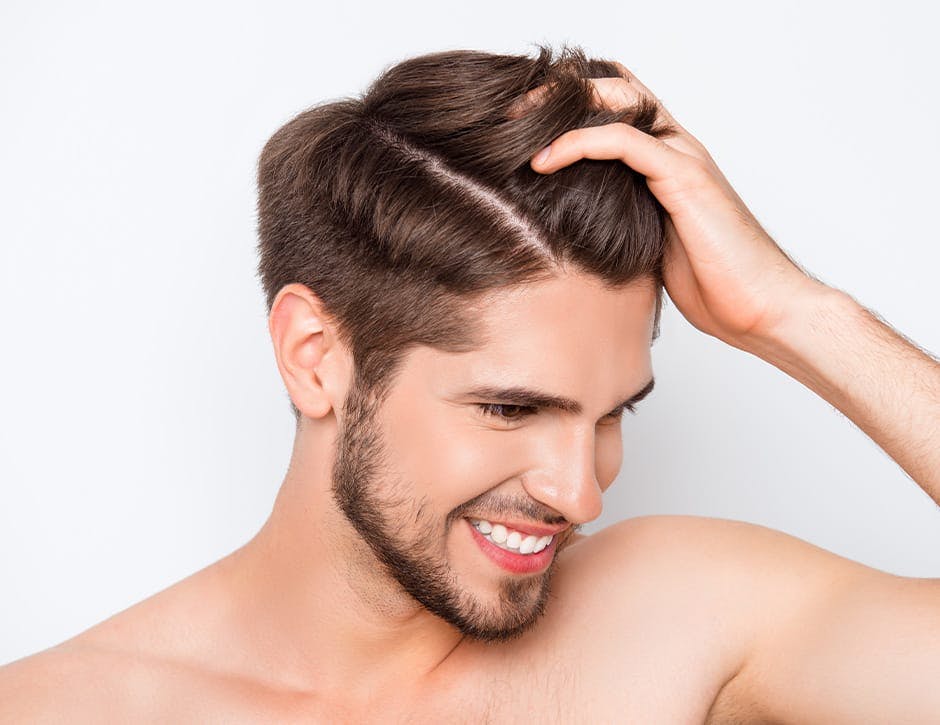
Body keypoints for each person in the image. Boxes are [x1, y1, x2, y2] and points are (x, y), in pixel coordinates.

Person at [2, 44, 938, 723]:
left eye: (613, 414)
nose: (580, 492)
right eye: (510, 407)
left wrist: (797, 313)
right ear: (315, 354)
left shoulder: (680, 620)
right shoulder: (58, 708)